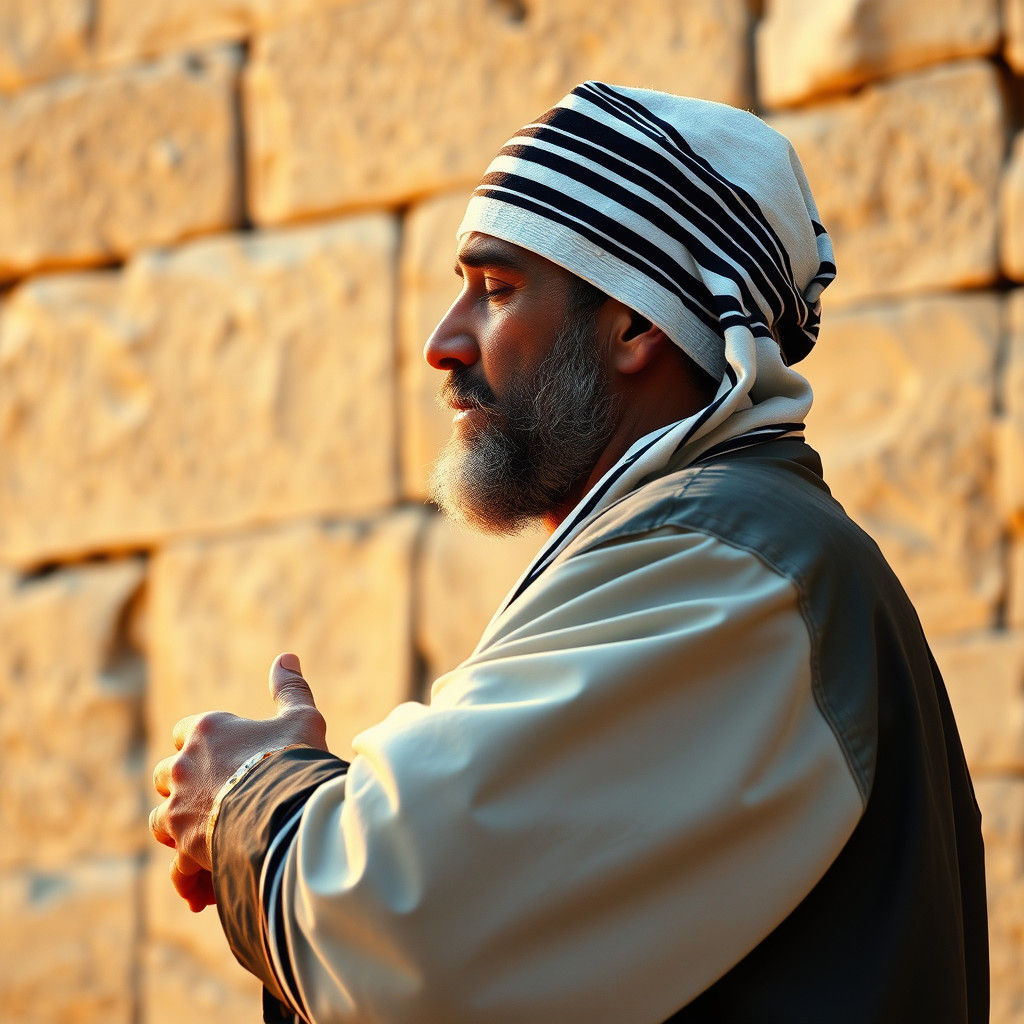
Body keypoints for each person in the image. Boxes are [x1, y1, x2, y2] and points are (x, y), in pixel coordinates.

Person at [149, 81, 988, 1023]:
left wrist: (248, 802)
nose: (442, 342)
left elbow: (402, 928)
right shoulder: (732, 547)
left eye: (497, 289)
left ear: (634, 323)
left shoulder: (732, 562)